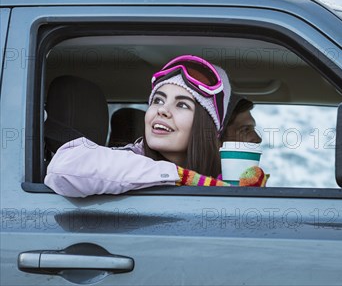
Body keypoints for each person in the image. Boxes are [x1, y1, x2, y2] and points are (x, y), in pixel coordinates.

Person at [44, 55, 266, 198]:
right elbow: (63, 169)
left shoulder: (220, 180)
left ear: (208, 128)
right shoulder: (128, 159)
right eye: (158, 100)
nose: (162, 110)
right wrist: (178, 176)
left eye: (182, 104)